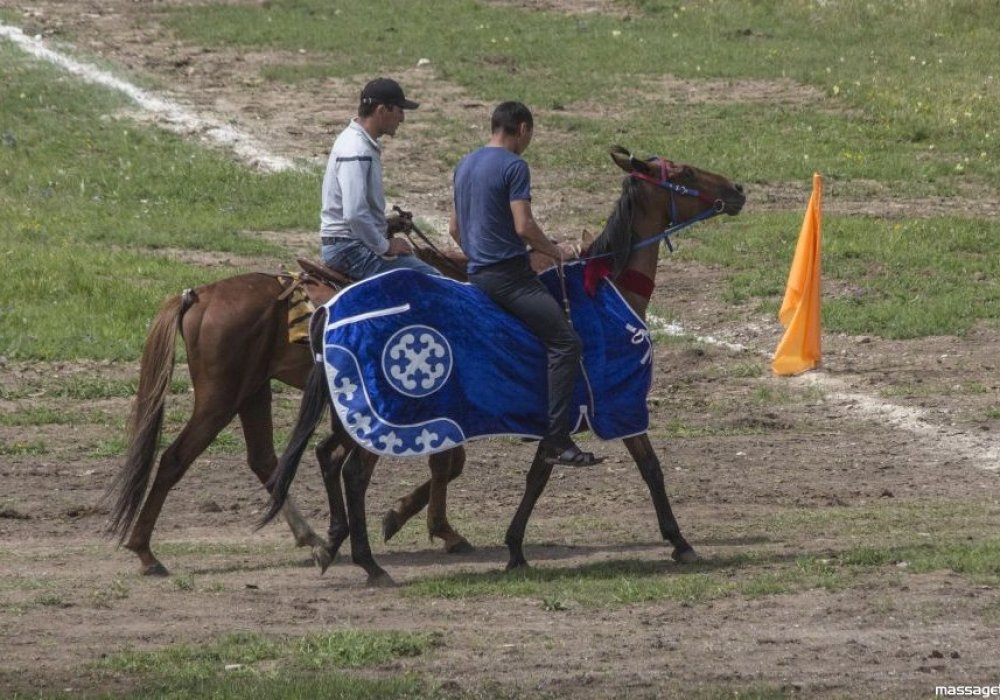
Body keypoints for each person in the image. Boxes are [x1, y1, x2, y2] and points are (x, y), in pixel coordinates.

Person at [449, 101, 602, 467]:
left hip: (478, 274)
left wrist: (481, 254)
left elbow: (455, 229)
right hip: (510, 280)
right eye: (529, 134)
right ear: (521, 129)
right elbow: (524, 226)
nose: (528, 141)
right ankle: (556, 439)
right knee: (566, 343)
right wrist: (555, 250)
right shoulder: (515, 166)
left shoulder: (465, 163)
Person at [320, 77, 439, 279]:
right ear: (382, 110)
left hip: (348, 243)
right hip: (349, 249)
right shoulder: (356, 149)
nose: (402, 118)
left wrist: (385, 224)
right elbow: (354, 214)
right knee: (434, 282)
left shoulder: (361, 143)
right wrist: (385, 246)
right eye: (399, 110)